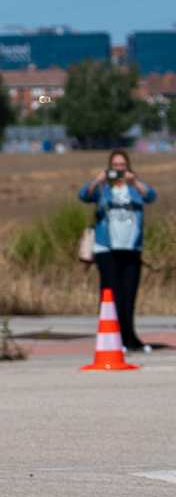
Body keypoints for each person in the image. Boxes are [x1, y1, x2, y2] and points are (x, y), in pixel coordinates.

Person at [81, 150, 158, 352]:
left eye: (122, 165)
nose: (119, 169)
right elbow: (84, 195)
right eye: (115, 166)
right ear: (109, 167)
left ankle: (129, 338)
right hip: (106, 247)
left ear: (128, 167)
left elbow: (151, 196)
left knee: (129, 295)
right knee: (111, 294)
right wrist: (97, 180)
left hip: (131, 246)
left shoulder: (134, 190)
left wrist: (135, 182)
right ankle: (111, 339)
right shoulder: (104, 189)